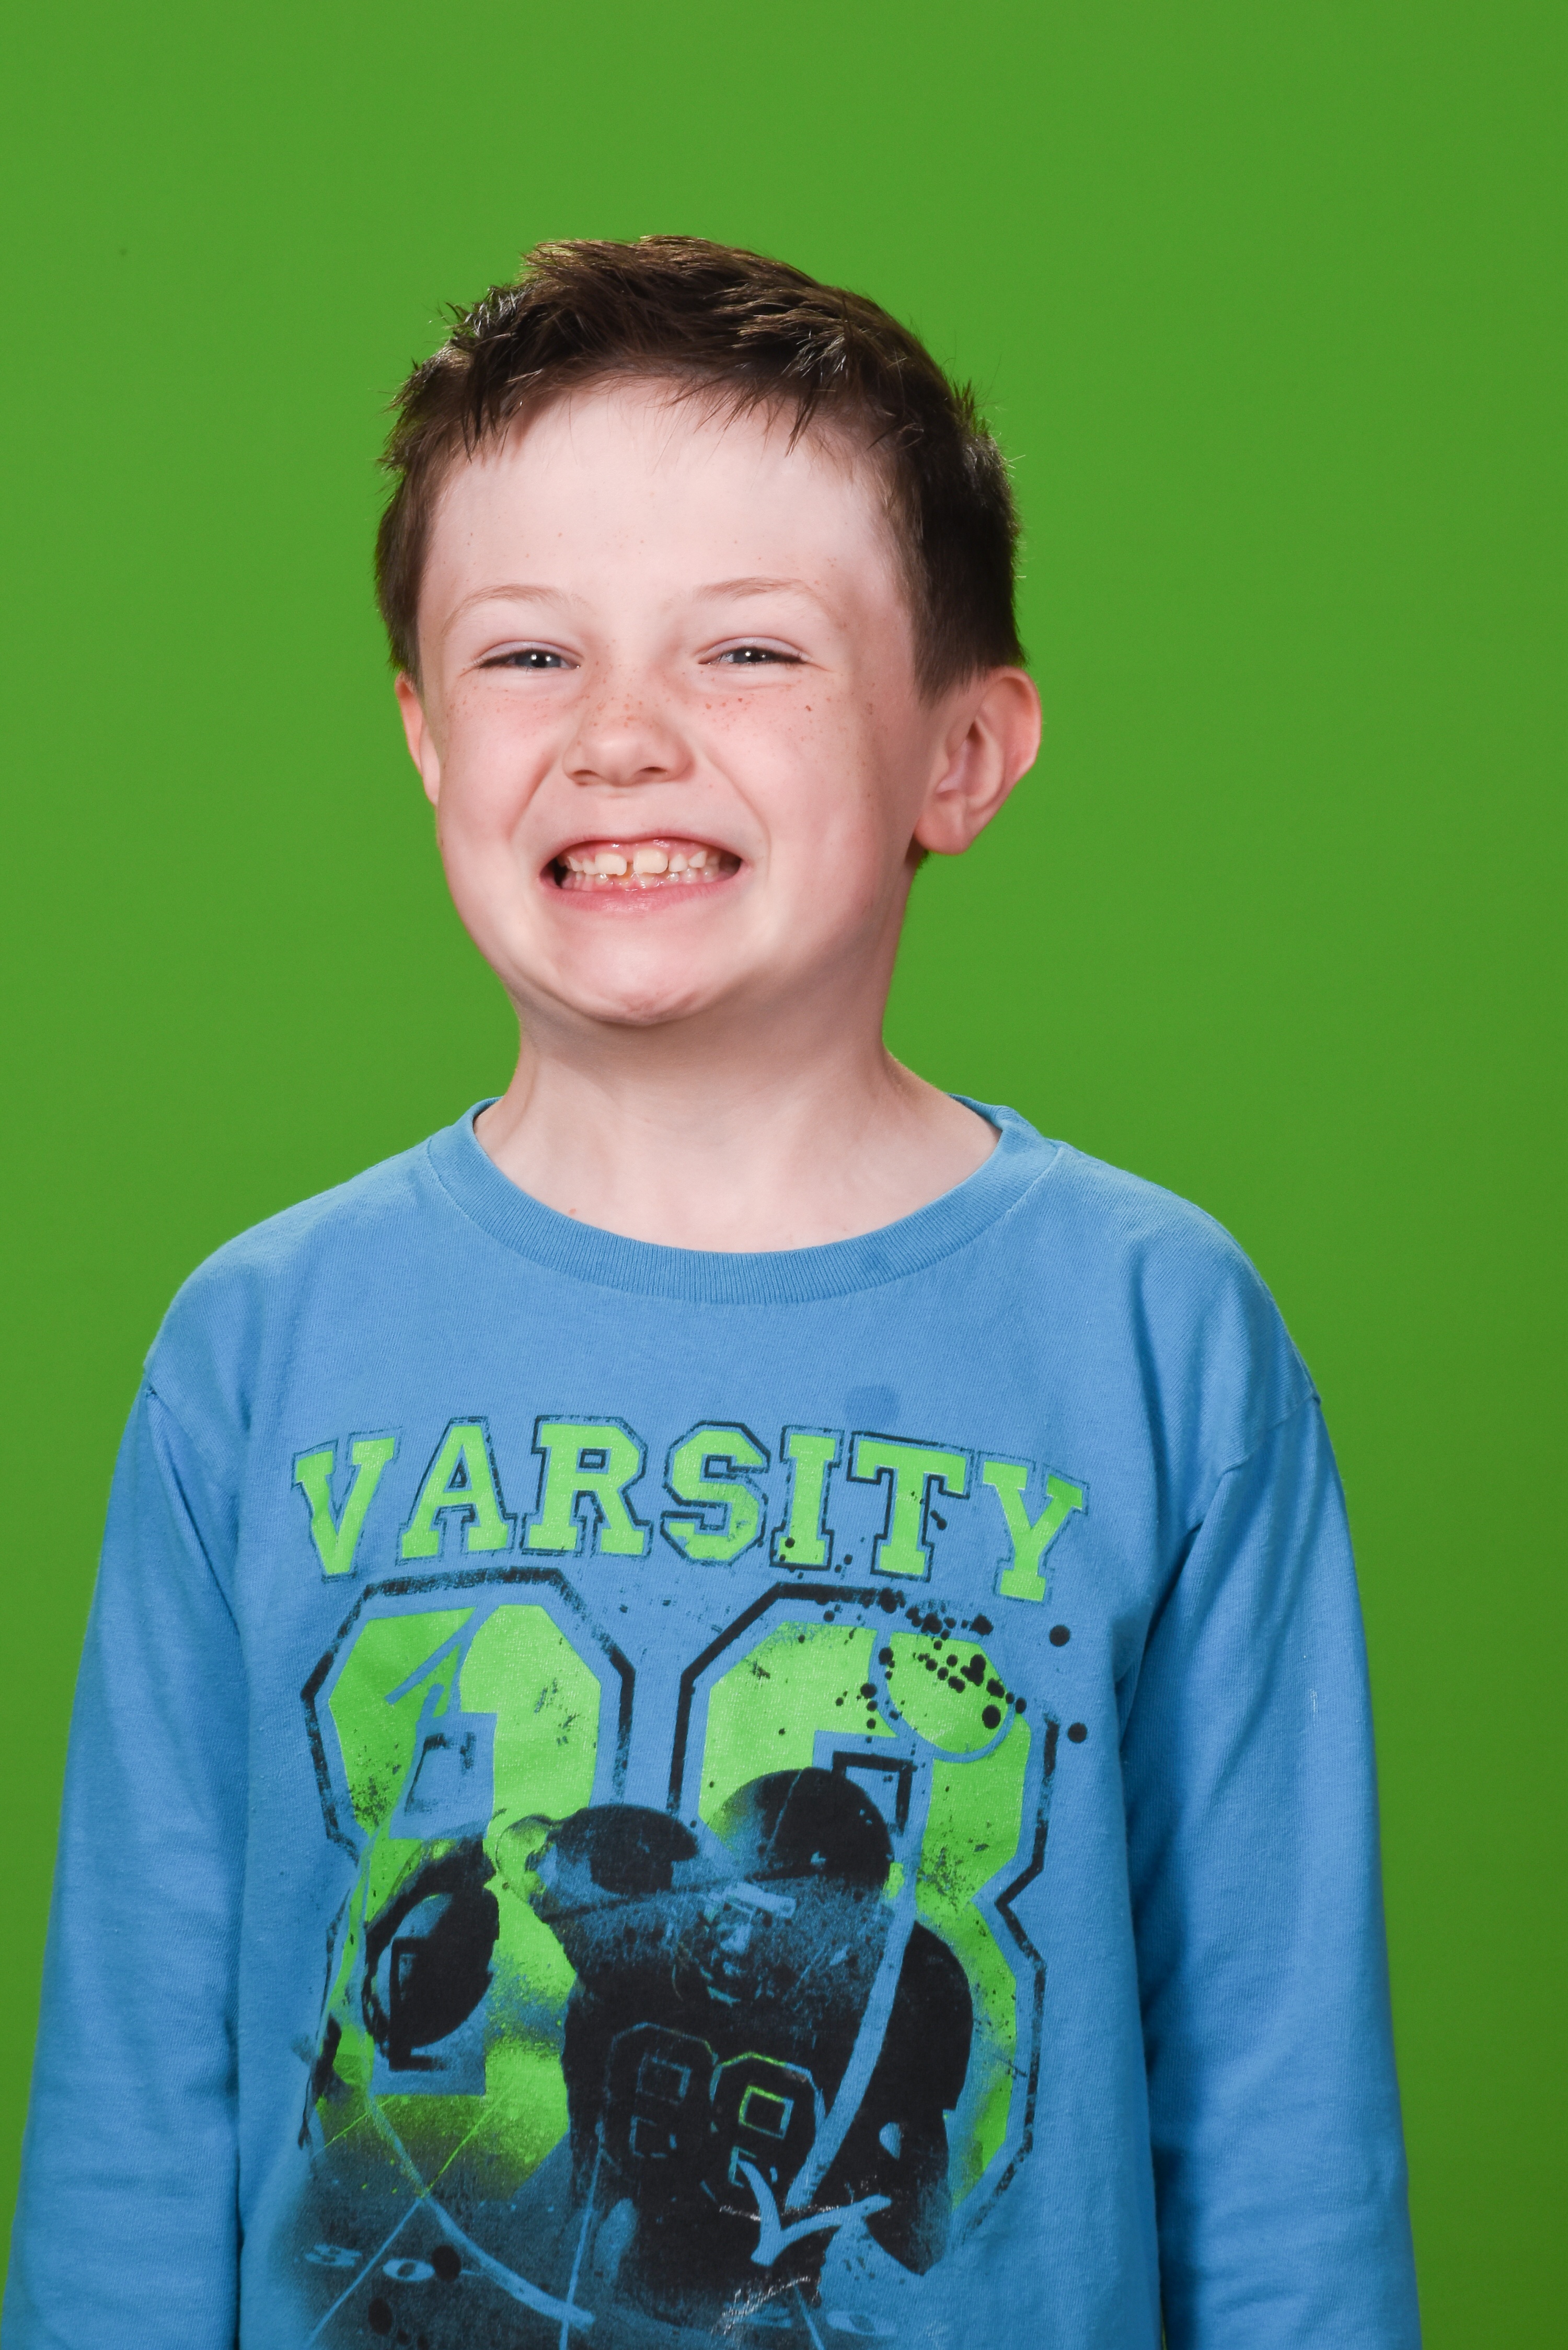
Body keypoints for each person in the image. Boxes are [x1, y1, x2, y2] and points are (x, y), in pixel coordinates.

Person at [2, 237, 1421, 2350]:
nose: (623, 738)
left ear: (962, 751)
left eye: (748, 649)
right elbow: (134, 2121)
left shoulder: (1157, 1339)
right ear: (423, 739)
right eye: (529, 655)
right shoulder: (258, 1349)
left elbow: (1284, 2145)